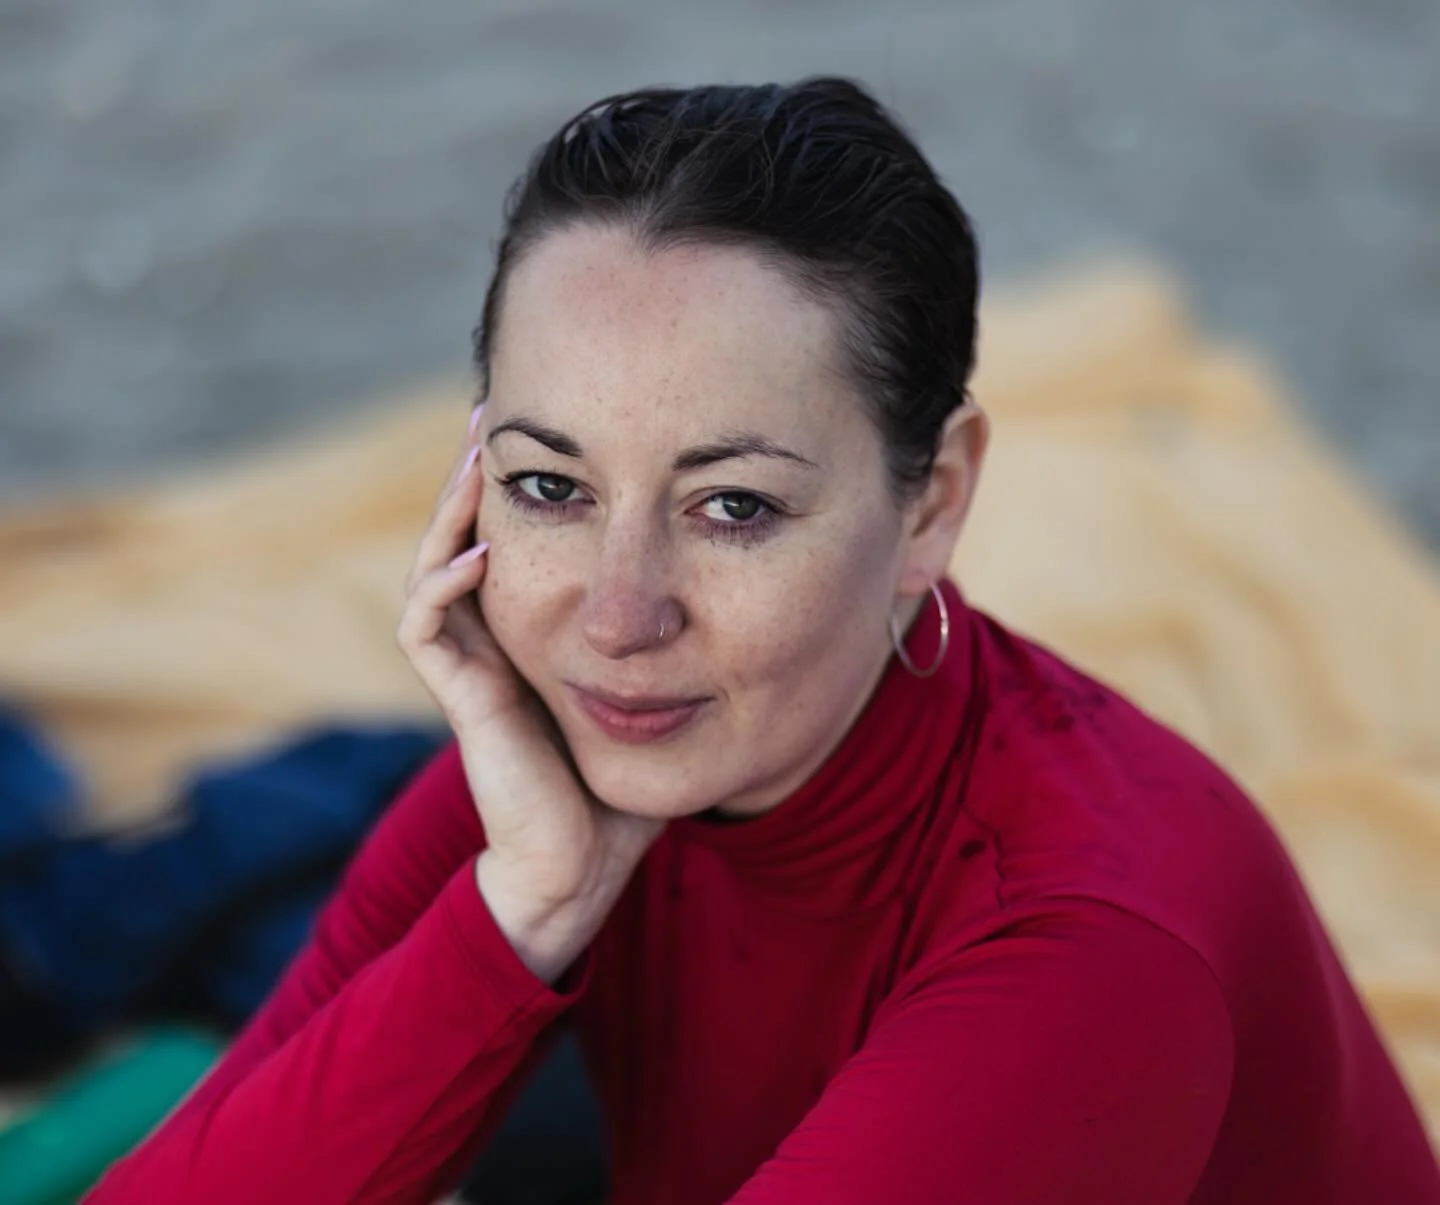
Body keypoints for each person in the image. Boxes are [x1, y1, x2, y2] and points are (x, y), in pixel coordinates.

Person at [86, 77, 1440, 1205]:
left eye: (732, 506)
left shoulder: (1090, 942)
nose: (617, 619)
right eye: (551, 485)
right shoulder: (576, 755)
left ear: (935, 501)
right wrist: (527, 908)